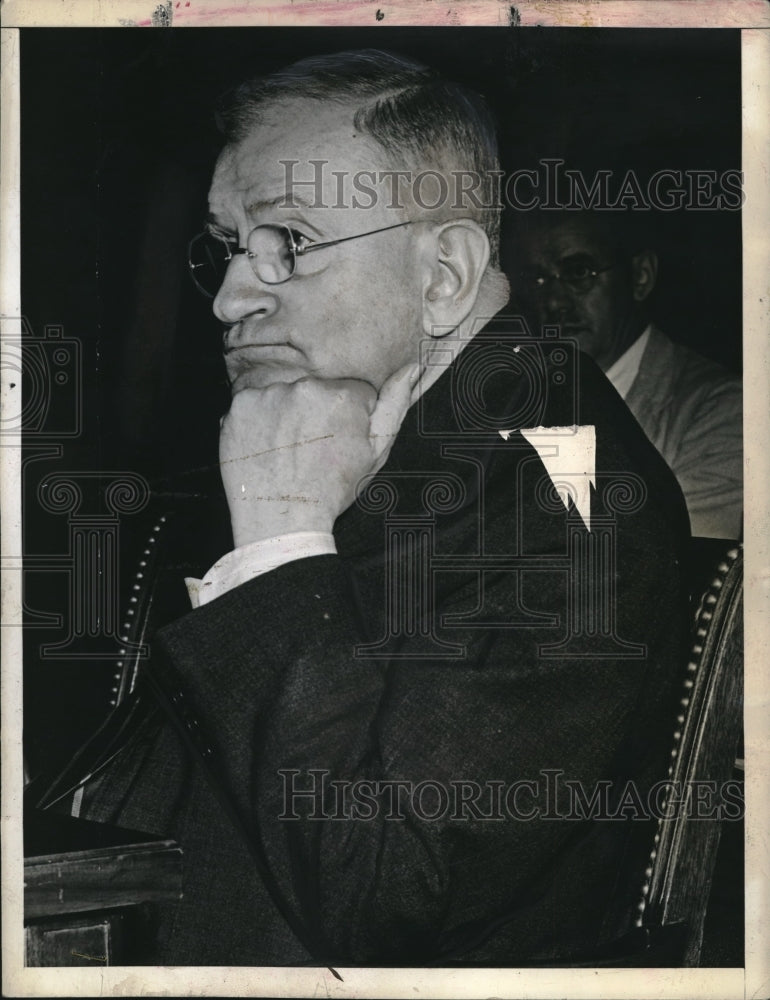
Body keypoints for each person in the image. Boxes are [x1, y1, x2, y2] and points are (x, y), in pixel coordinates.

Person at [36, 50, 690, 966]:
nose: (228, 299)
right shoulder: (366, 431)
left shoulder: (569, 494)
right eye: (228, 247)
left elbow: (381, 897)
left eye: (290, 242)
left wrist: (279, 547)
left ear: (445, 277)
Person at [511, 210, 742, 540]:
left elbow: (666, 565)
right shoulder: (519, 400)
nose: (554, 302)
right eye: (537, 279)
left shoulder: (724, 410)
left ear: (640, 277)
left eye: (578, 272)